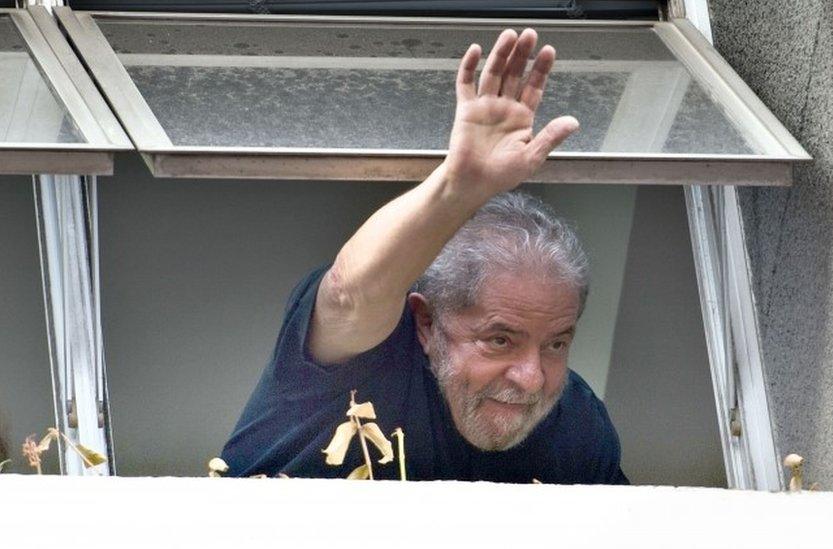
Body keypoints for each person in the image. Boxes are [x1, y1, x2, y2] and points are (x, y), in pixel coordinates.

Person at [221, 28, 627, 484]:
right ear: (426, 322)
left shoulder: (577, 428)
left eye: (555, 344)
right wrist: (458, 187)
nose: (532, 379)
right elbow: (349, 294)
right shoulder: (367, 356)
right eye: (500, 340)